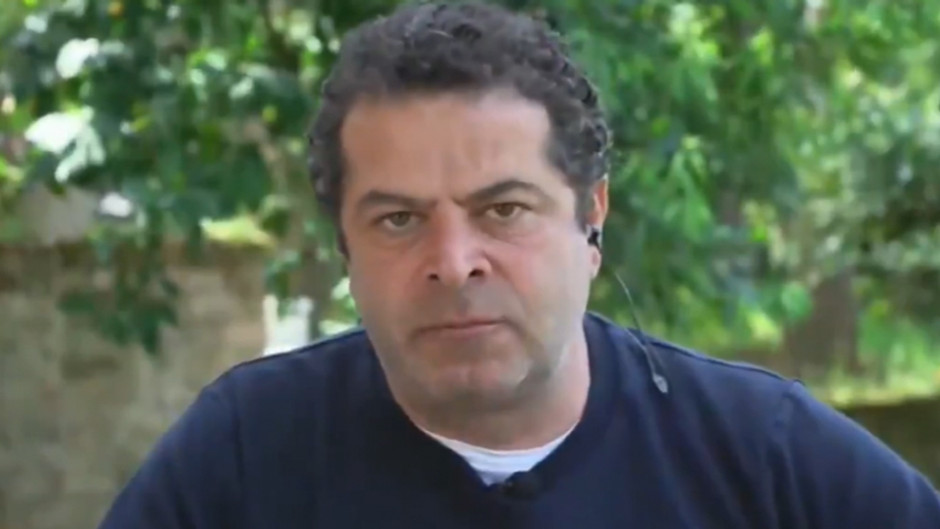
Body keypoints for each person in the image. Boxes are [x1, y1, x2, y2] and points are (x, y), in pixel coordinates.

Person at [97, 2, 940, 527]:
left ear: (591, 216)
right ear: (344, 246)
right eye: (398, 219)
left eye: (503, 209)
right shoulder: (244, 457)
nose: (454, 262)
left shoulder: (768, 459)